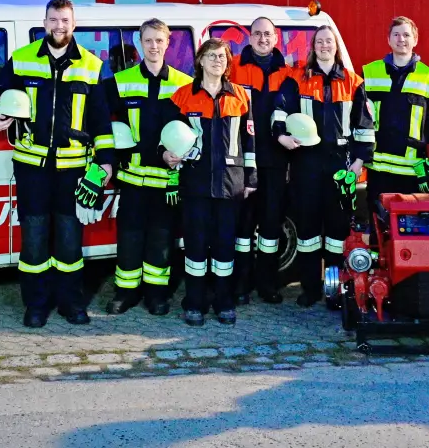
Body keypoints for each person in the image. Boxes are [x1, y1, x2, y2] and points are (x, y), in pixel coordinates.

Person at [0, 0, 114, 328]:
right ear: (44, 22)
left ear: (74, 23)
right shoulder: (23, 59)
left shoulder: (92, 65)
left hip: (74, 170)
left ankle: (71, 304)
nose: (59, 26)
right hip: (32, 169)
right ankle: (36, 305)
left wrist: (106, 165)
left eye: (65, 20)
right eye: (54, 20)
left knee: (70, 240)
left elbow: (102, 123)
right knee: (35, 239)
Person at [275, 25, 373, 306]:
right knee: (307, 230)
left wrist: (358, 162)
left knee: (337, 232)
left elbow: (364, 126)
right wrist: (281, 136)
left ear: (336, 46)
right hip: (306, 161)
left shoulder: (354, 82)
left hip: (340, 164)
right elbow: (280, 111)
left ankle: (336, 290)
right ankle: (310, 289)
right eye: (319, 41)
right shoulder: (297, 79)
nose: (324, 46)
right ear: (313, 47)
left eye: (329, 41)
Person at [102, 19, 192, 316]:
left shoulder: (183, 84)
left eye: (159, 41)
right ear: (140, 43)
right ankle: (125, 293)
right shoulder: (121, 80)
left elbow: (194, 129)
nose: (154, 46)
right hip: (132, 178)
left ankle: (157, 295)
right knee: (129, 236)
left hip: (166, 180)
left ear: (168, 43)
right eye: (148, 41)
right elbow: (97, 113)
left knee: (161, 239)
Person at [172, 38, 256, 326]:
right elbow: (169, 137)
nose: (217, 61)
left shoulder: (242, 97)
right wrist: (165, 154)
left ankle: (224, 302)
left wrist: (251, 178)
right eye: (211, 56)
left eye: (222, 56)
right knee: (195, 247)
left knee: (224, 248)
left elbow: (250, 141)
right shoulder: (183, 96)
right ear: (200, 61)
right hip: (195, 184)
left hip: (230, 185)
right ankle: (194, 303)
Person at [227, 17, 292, 304]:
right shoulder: (235, 70)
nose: (263, 39)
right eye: (257, 34)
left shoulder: (288, 74)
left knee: (270, 225)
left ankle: (268, 284)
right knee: (242, 227)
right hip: (243, 161)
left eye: (267, 34)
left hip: (277, 162)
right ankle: (240, 285)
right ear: (249, 38)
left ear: (275, 38)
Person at [361, 16, 429, 202]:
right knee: (379, 225)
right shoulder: (369, 73)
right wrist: (358, 157)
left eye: (406, 35)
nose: (401, 39)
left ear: (415, 40)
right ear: (389, 39)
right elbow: (360, 120)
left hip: (413, 171)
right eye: (396, 35)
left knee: (411, 228)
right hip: (378, 169)